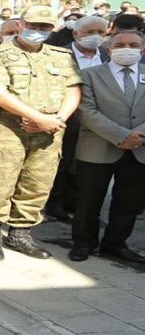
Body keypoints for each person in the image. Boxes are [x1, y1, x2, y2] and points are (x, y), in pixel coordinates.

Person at [0, 5, 81, 260]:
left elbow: (74, 89)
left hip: (50, 130)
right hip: (9, 128)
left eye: (44, 27)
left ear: (52, 28)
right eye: (33, 26)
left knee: (37, 184)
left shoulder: (61, 56)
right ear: (21, 25)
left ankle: (20, 233)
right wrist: (38, 118)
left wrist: (56, 119)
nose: (38, 31)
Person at [68, 30, 145, 262]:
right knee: (88, 200)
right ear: (109, 49)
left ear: (142, 49)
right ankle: (83, 243)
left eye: (133, 44)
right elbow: (86, 111)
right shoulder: (90, 74)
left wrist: (138, 135)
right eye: (120, 44)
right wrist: (121, 135)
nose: (127, 48)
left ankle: (115, 243)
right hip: (98, 146)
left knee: (129, 201)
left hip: (140, 148)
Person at [47, 15, 111, 222]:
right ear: (76, 34)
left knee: (85, 163)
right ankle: (55, 202)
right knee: (63, 159)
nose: (95, 37)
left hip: (96, 117)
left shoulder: (106, 54)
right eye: (90, 32)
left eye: (101, 33)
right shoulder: (59, 54)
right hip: (67, 115)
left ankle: (75, 202)